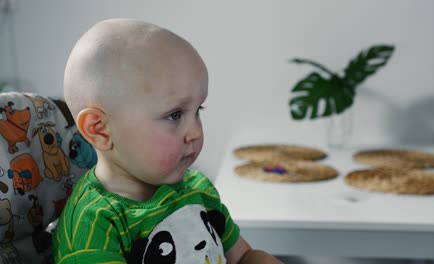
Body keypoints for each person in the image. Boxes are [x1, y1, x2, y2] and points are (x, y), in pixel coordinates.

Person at [52, 18, 282, 264]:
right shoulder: (94, 225)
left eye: (198, 111)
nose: (195, 132)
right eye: (174, 115)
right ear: (100, 130)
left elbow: (243, 256)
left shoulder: (196, 189)